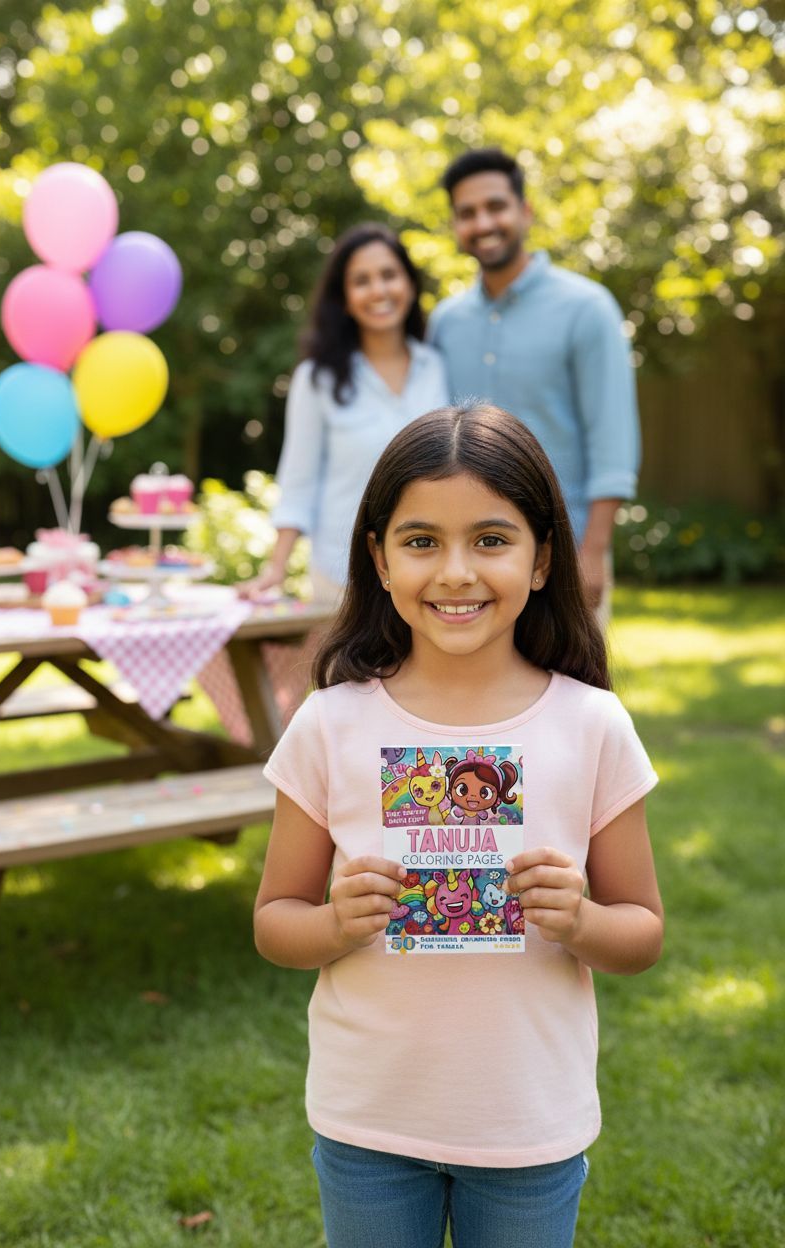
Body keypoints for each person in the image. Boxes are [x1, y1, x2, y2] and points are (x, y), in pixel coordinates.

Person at [254, 404, 663, 1248]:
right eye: (420, 541)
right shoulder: (330, 725)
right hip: (368, 1119)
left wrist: (583, 920)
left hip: (527, 1124)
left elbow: (642, 934)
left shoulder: (592, 727)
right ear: (378, 557)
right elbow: (273, 923)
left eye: (489, 539)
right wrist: (332, 923)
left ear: (543, 558)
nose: (454, 573)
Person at [429, 148, 641, 616]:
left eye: (496, 206)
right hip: (468, 561)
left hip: (565, 552)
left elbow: (613, 443)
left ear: (525, 212)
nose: (483, 222)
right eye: (467, 213)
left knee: (573, 689)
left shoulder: (587, 308)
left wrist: (593, 553)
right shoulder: (445, 323)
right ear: (455, 225)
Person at [241, 223, 448, 602]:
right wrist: (275, 568)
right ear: (345, 298)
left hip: (431, 575)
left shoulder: (437, 367)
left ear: (410, 284)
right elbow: (298, 482)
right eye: (362, 281)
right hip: (344, 580)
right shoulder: (317, 379)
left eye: (389, 275)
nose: (379, 290)